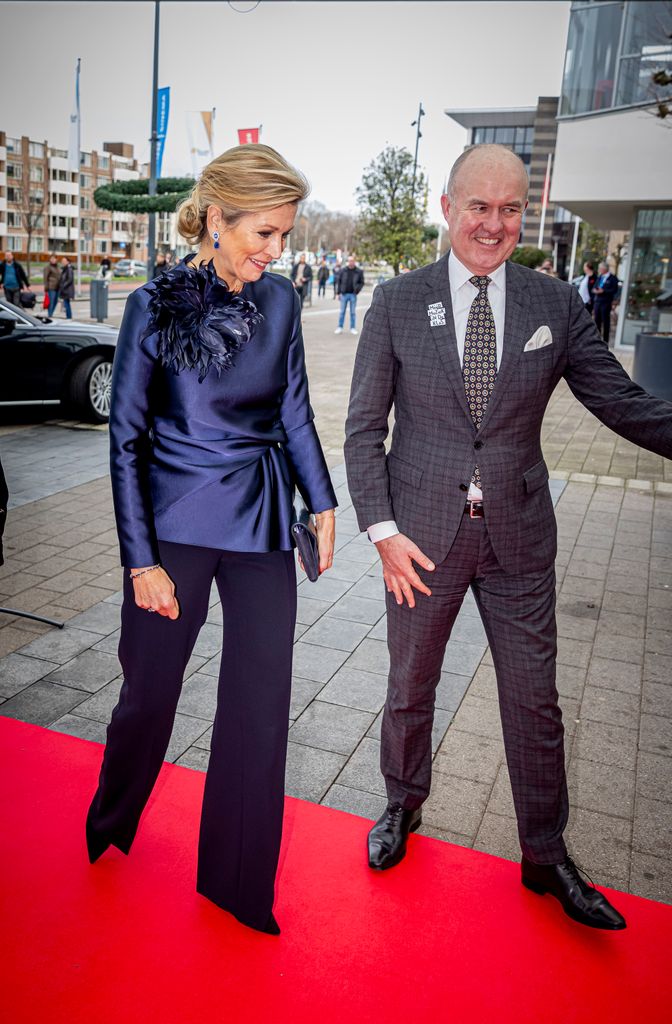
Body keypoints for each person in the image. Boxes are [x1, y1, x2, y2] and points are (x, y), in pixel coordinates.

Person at [345, 144, 672, 932]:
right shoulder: (395, 302)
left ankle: (545, 854)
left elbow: (624, 404)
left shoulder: (554, 305)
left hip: (521, 538)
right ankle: (401, 805)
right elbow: (362, 431)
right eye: (479, 207)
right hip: (420, 538)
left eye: (512, 209)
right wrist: (383, 531)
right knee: (409, 687)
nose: (494, 224)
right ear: (447, 205)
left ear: (528, 211)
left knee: (536, 701)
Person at [86, 143, 337, 936]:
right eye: (264, 232)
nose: (276, 250)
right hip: (175, 526)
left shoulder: (285, 303)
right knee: (149, 696)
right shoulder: (153, 304)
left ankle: (237, 883)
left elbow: (294, 410)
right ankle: (113, 814)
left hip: (261, 521)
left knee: (260, 706)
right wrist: (140, 561)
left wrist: (323, 503)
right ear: (217, 219)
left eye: (285, 236)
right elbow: (124, 437)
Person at [335, 254, 364, 335]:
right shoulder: (343, 270)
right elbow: (339, 282)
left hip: (353, 294)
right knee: (342, 312)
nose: (351, 262)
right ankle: (340, 327)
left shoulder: (359, 271)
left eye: (352, 261)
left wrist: (357, 290)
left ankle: (353, 328)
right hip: (344, 294)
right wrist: (338, 293)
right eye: (349, 261)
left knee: (352, 312)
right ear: (348, 262)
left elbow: (362, 282)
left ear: (354, 262)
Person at [593, 261, 619, 344]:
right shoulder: (600, 277)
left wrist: (603, 291)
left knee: (605, 321)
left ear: (604, 269)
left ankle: (605, 340)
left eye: (600, 268)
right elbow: (595, 286)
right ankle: (597, 339)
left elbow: (614, 290)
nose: (599, 270)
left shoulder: (613, 278)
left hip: (606, 302)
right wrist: (594, 290)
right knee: (597, 320)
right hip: (597, 302)